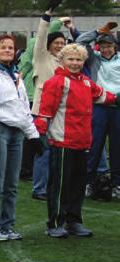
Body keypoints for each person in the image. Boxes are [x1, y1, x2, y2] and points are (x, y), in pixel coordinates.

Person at [35, 43, 119, 238]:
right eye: (71, 59)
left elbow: (104, 96)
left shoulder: (87, 83)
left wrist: (117, 98)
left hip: (83, 142)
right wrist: (40, 132)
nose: (75, 63)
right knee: (60, 186)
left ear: (84, 61)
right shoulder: (56, 82)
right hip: (62, 142)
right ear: (62, 60)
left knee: (78, 185)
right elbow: (46, 110)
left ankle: (74, 221)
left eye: (78, 59)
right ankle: (55, 223)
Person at [0, 35, 44, 242]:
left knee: (12, 184)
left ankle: (8, 225)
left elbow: (23, 107)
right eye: (4, 47)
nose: (8, 50)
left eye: (11, 48)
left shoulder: (16, 75)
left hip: (17, 133)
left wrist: (33, 135)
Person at [76, 23, 120, 199]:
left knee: (117, 148)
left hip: (118, 107)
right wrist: (98, 32)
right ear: (98, 47)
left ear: (114, 46)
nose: (106, 50)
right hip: (100, 106)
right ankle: (88, 183)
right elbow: (79, 43)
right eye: (102, 47)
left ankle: (117, 184)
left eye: (109, 46)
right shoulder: (94, 58)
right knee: (94, 146)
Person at [31, 0, 68, 201]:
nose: (60, 45)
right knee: (43, 151)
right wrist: (47, 14)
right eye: (57, 42)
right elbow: (42, 35)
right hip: (42, 111)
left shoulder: (66, 64)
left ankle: (51, 185)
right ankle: (39, 188)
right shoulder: (42, 57)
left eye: (63, 43)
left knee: (56, 151)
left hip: (60, 112)